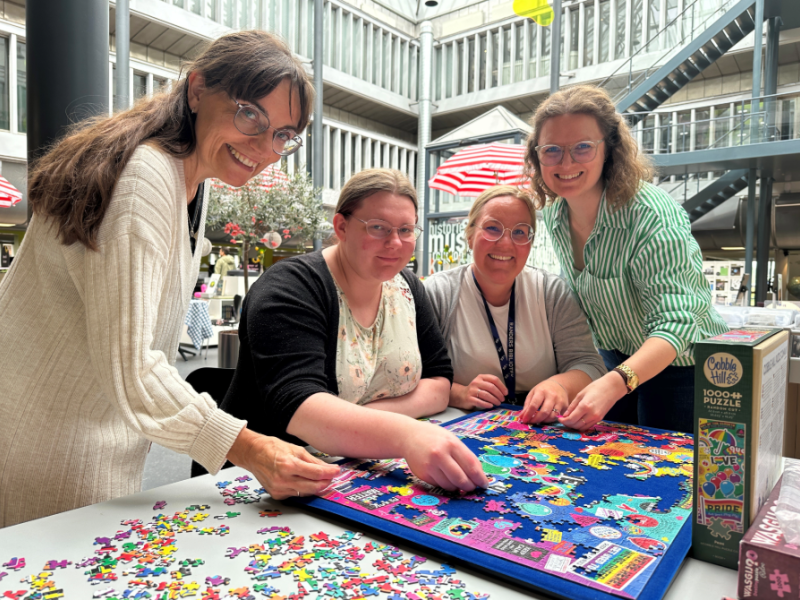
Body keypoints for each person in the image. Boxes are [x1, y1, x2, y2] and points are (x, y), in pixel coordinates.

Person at [0, 31, 340, 528]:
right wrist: (250, 448)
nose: (266, 147)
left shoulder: (188, 178)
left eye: (284, 135)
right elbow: (134, 367)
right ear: (198, 90)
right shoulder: (147, 178)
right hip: (52, 451)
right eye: (251, 114)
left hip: (78, 437)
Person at [220, 169, 489, 493]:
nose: (395, 242)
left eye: (406, 229)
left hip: (364, 472)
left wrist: (370, 422)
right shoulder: (288, 287)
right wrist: (406, 434)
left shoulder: (408, 287)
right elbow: (298, 408)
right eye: (378, 228)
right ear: (341, 226)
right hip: (269, 482)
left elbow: (439, 383)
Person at [524, 85, 728, 434]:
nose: (567, 162)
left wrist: (613, 383)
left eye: (583, 147)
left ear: (610, 150)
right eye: (552, 150)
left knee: (666, 474)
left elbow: (677, 324)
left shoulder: (652, 214)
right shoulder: (556, 215)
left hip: (683, 369)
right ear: (537, 156)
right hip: (615, 358)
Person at [425, 185, 606, 424]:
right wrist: (459, 393)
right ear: (469, 235)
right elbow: (410, 375)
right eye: (492, 228)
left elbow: (589, 365)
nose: (506, 243)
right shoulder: (438, 293)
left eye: (520, 232)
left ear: (530, 243)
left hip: (540, 429)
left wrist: (558, 385)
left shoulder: (551, 292)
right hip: (462, 427)